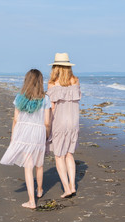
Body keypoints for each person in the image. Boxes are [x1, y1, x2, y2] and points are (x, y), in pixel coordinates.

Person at [0, 69, 51, 209]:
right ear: (40, 82)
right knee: (39, 163)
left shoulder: (20, 97)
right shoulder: (45, 98)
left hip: (23, 132)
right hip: (39, 132)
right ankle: (39, 190)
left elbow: (16, 119)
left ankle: (31, 201)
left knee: (28, 167)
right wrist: (46, 136)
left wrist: (13, 136)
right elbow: (47, 122)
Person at [46, 53, 81, 198]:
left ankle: (66, 188)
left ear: (55, 67)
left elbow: (52, 107)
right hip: (74, 121)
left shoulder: (53, 83)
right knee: (69, 154)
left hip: (59, 121)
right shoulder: (75, 81)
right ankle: (72, 186)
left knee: (59, 156)